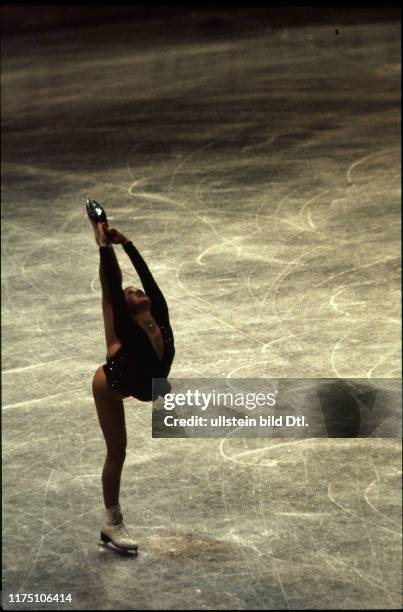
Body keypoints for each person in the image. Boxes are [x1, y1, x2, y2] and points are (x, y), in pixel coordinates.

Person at [87, 201, 175, 551]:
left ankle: (101, 230)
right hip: (112, 383)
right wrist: (104, 246)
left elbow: (147, 276)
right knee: (118, 451)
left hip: (140, 377)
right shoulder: (127, 327)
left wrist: (127, 243)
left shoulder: (161, 317)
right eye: (131, 294)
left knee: (114, 320)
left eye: (138, 291)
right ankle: (112, 522)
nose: (136, 291)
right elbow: (113, 282)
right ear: (128, 311)